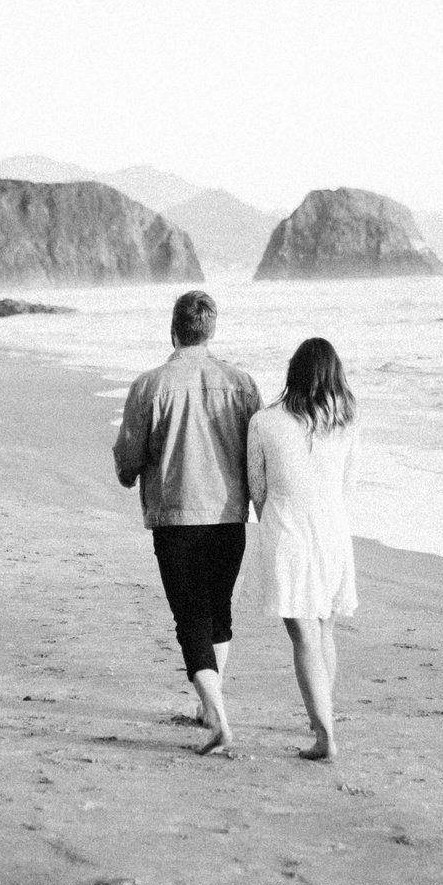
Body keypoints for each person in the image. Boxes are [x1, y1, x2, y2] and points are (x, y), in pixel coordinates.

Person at [112, 290, 263, 754]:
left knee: (189, 618)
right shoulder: (242, 384)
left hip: (177, 517)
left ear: (174, 329)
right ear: (211, 330)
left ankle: (217, 716)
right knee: (218, 611)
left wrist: (132, 466)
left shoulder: (149, 386)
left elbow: (126, 464)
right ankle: (208, 705)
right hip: (229, 515)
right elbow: (256, 456)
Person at [245, 337, 360, 761]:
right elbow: (349, 487)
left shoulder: (265, 422)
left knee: (303, 634)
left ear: (293, 371)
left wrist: (274, 521)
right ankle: (321, 719)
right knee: (324, 630)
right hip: (333, 531)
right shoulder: (347, 422)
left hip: (287, 530)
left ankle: (325, 735)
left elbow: (256, 490)